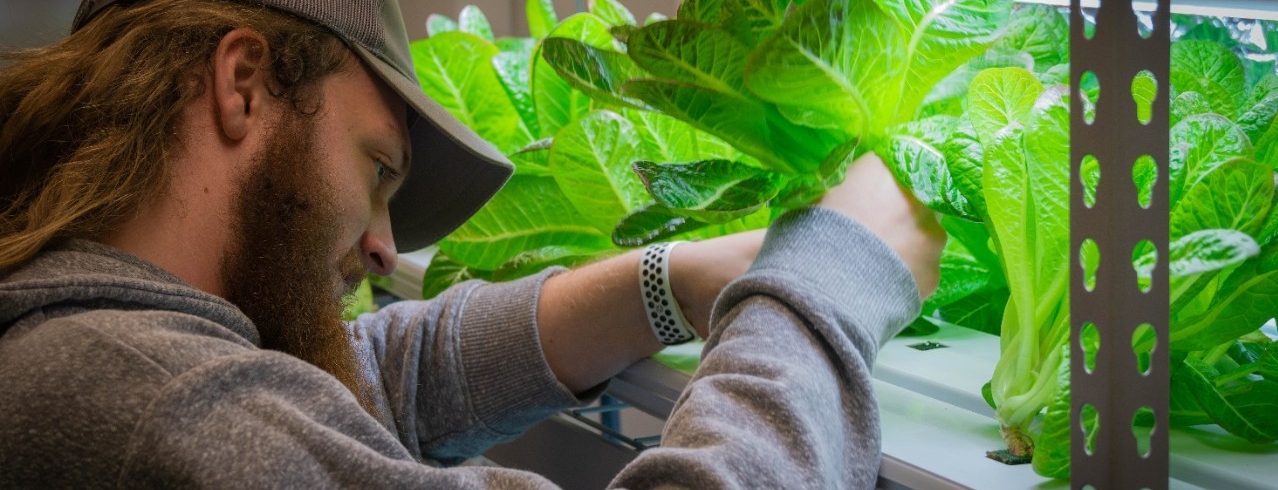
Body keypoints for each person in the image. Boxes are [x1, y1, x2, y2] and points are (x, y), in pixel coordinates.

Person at [0, 0, 945, 488]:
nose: (381, 247)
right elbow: (260, 415)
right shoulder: (162, 411)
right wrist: (823, 282)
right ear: (243, 83)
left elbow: (351, 384)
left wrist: (673, 279)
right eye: (378, 169)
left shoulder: (78, 335)